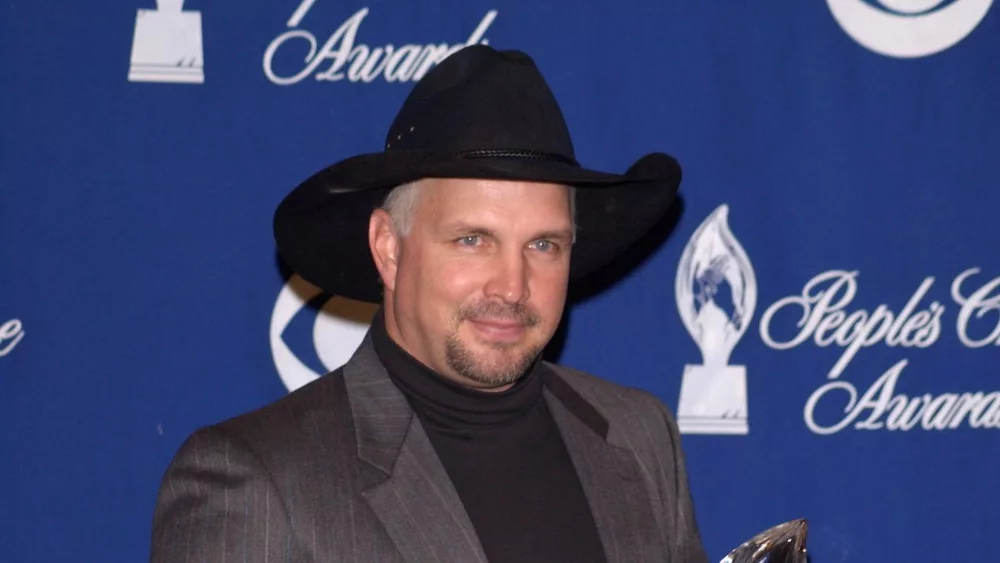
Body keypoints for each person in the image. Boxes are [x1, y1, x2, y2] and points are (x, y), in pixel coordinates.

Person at [149, 45, 709, 563]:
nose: (512, 287)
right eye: (472, 240)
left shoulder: (639, 434)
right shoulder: (256, 477)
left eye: (543, 245)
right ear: (389, 248)